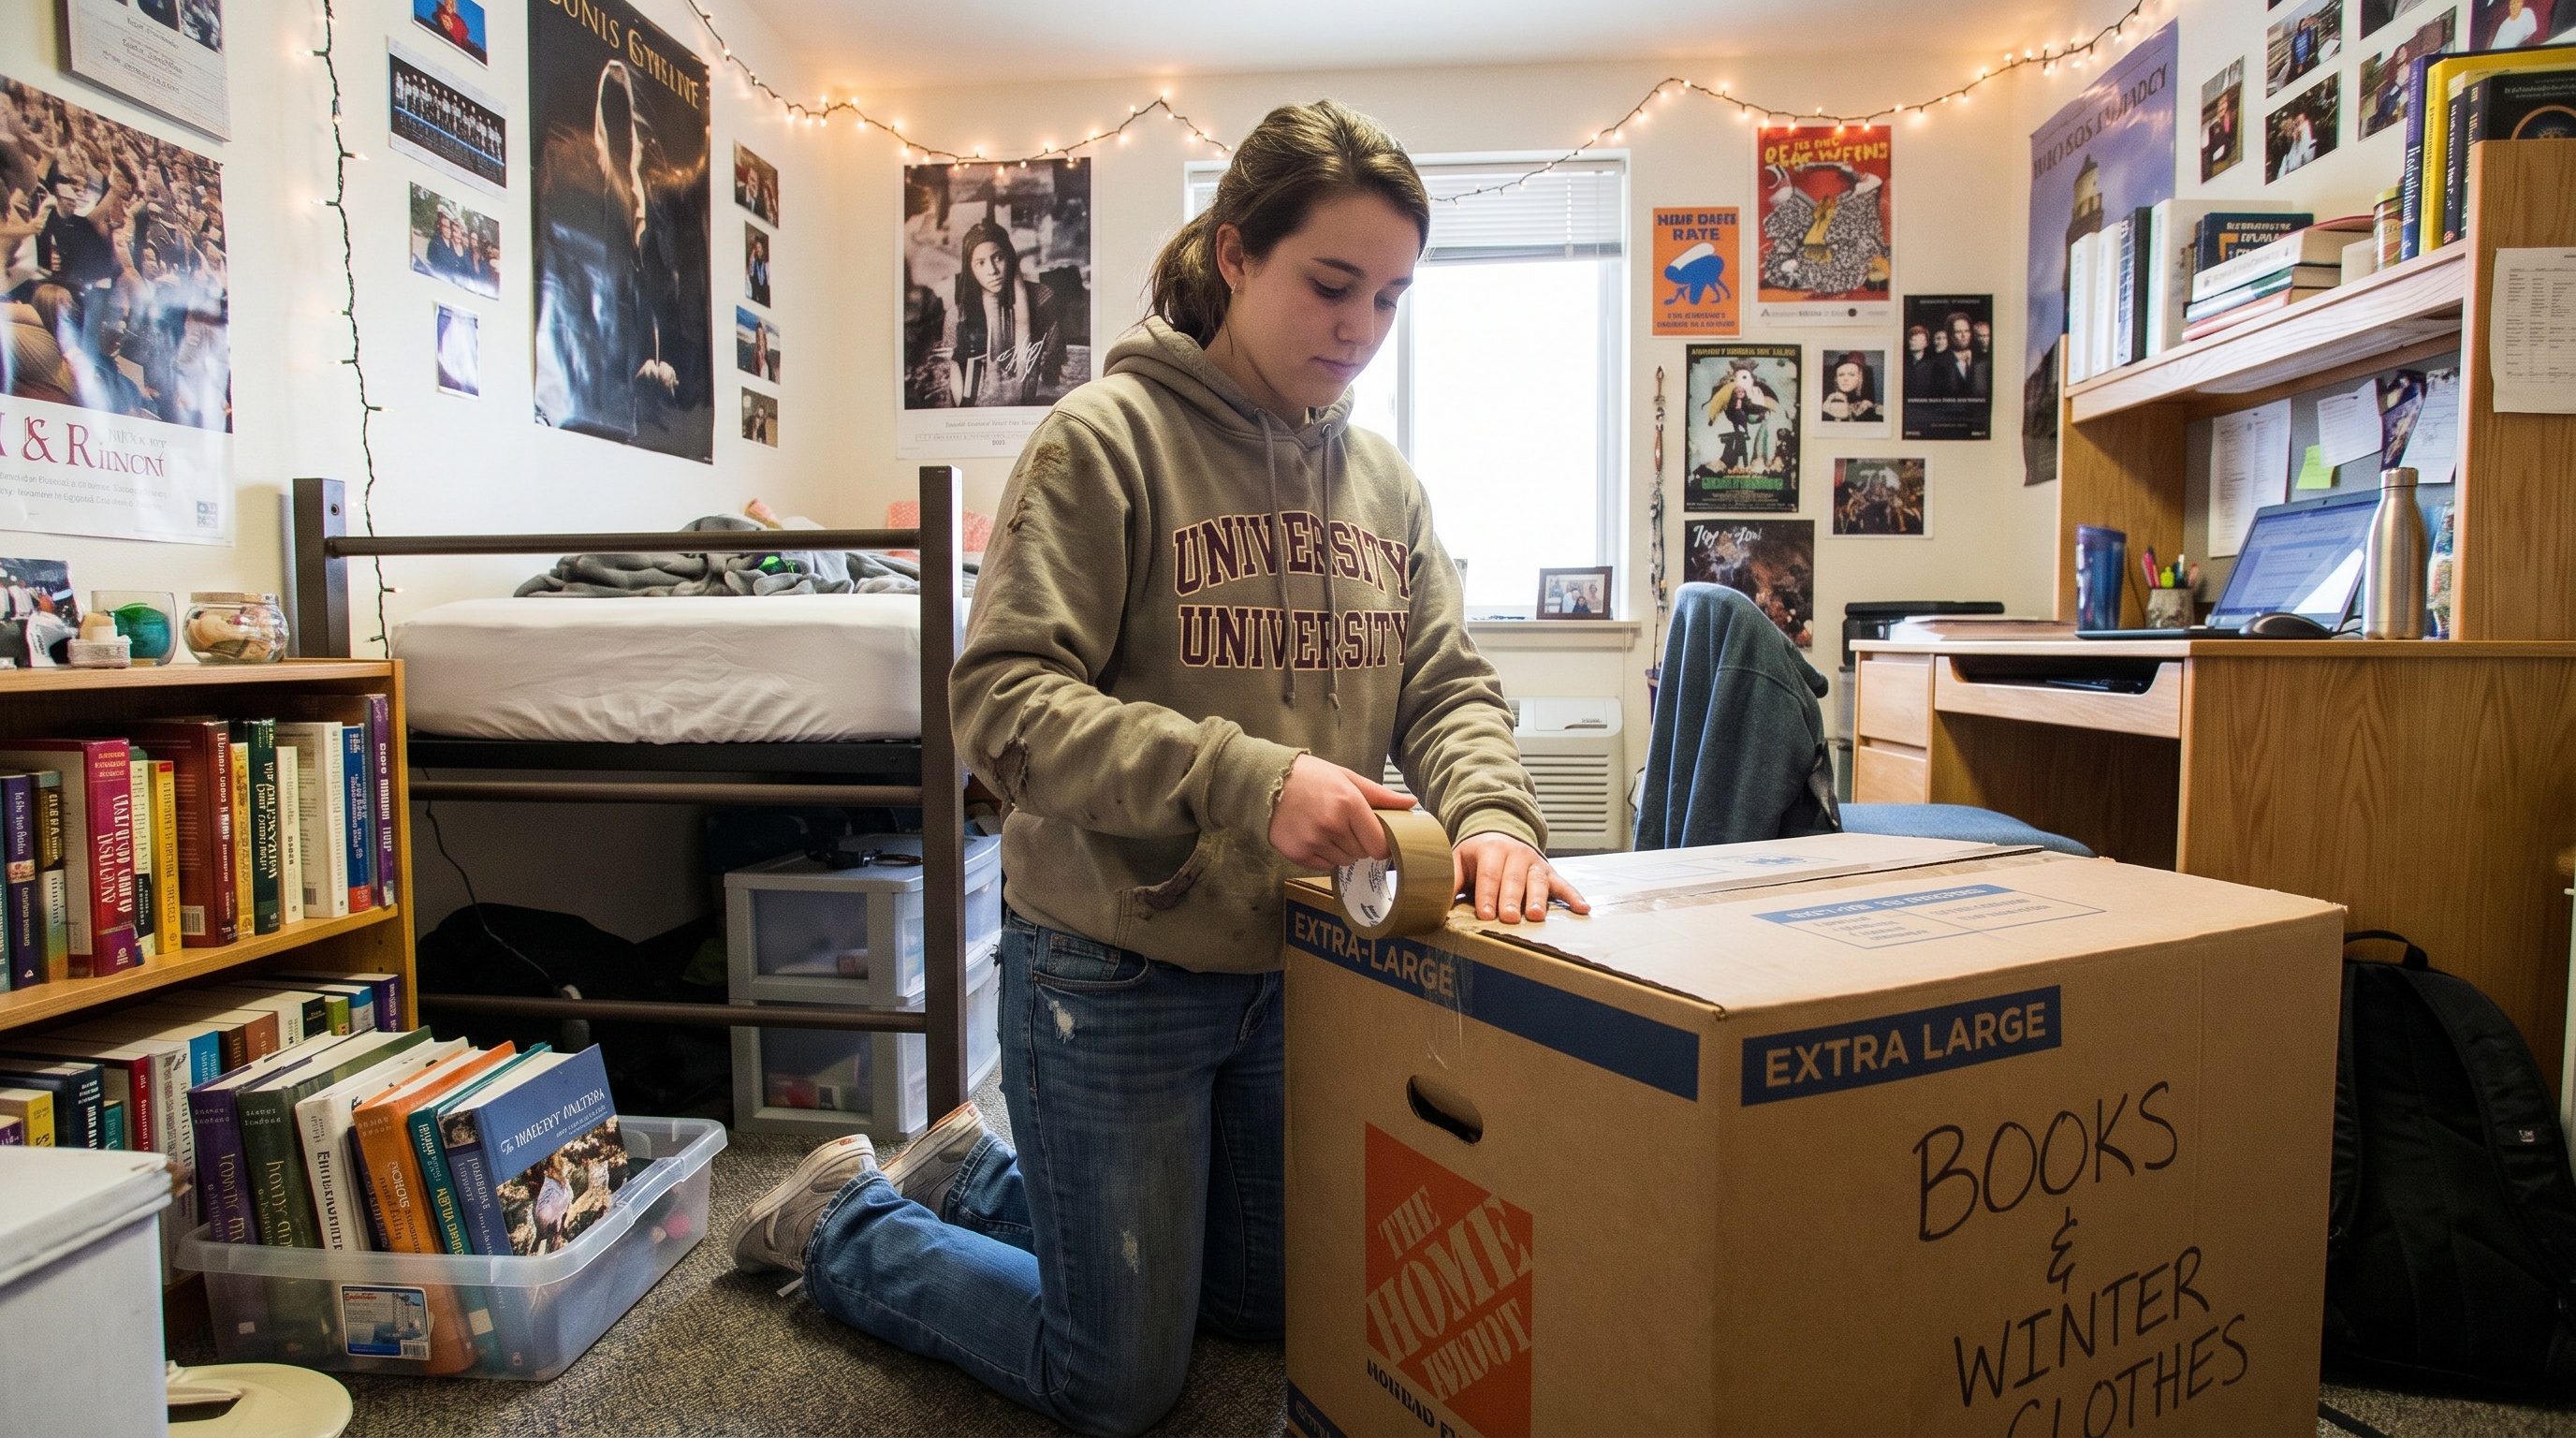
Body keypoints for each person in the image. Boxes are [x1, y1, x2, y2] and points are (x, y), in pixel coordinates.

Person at [728, 99, 1586, 1438]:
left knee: (1261, 1305)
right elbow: (1000, 709)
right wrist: (1247, 780)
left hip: (1296, 969)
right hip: (1109, 970)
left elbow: (1447, 685)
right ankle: (843, 1217)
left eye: (1392, 298)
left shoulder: (1390, 490)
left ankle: (978, 1172)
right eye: (1330, 284)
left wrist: (1497, 817)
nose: (1360, 327)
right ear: (1236, 256)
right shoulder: (1103, 441)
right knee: (1119, 1382)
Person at [945, 216, 1059, 406]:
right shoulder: (957, 316)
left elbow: (1055, 370)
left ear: (1009, 257)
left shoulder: (1041, 299)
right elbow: (948, 385)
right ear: (970, 269)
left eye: (998, 257)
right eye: (980, 263)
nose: (992, 270)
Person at [1937, 310, 1989, 398]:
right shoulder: (1939, 363)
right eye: (1958, 332)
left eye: (1967, 331)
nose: (1964, 336)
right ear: (1950, 335)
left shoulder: (1984, 360)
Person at [1819, 351, 1880, 422]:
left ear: (1860, 378)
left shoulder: (1865, 405)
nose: (1845, 379)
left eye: (1851, 374)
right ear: (1836, 379)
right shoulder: (1829, 401)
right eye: (1841, 375)